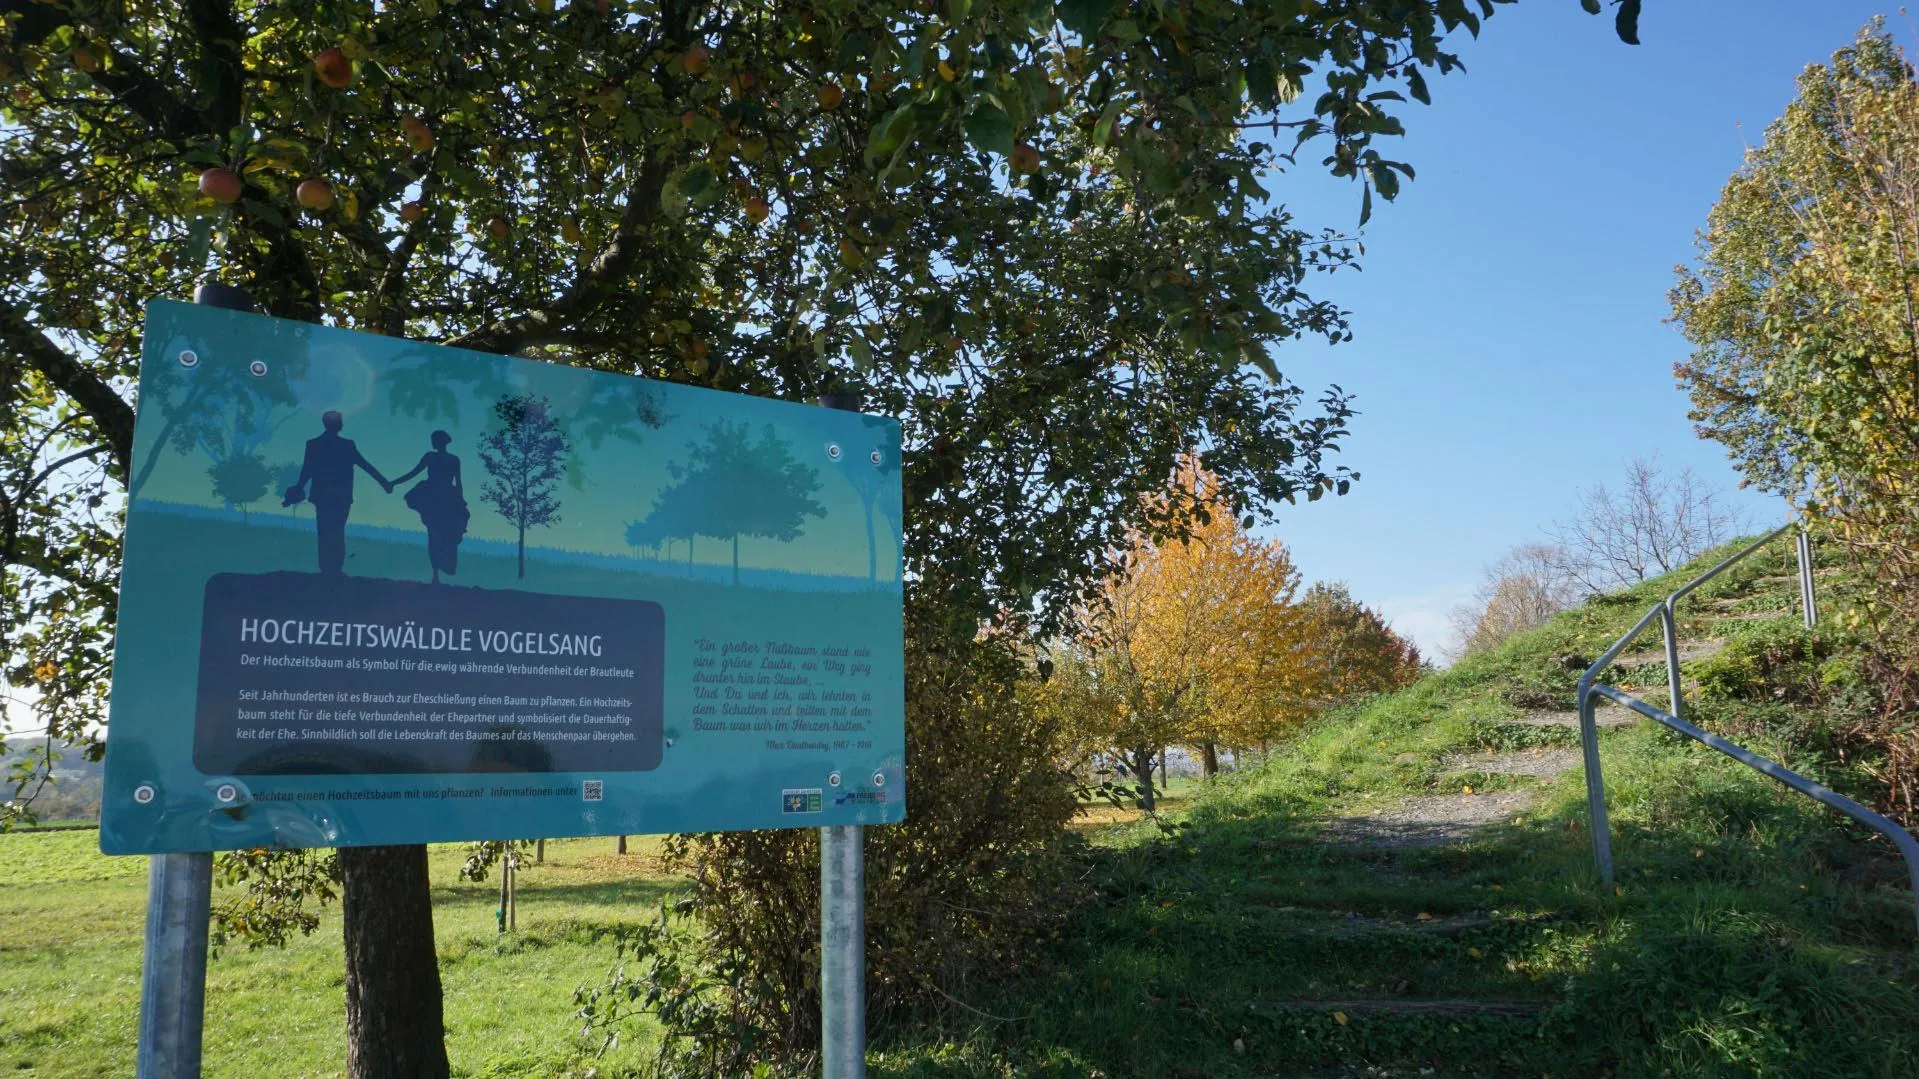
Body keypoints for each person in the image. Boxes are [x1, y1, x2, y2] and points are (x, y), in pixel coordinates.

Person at [283, 410, 390, 575]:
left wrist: (299, 487)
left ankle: (326, 568)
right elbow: (365, 465)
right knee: (337, 531)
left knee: (325, 530)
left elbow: (307, 470)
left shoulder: (314, 444)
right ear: (338, 424)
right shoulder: (347, 445)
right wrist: (384, 482)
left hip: (323, 496)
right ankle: (335, 568)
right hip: (341, 496)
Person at [389, 429, 469, 583]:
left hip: (435, 497)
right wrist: (460, 501)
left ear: (438, 441)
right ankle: (436, 572)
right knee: (440, 534)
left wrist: (393, 483)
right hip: (444, 498)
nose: (432, 442)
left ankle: (436, 572)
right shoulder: (453, 459)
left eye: (433, 439)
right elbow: (458, 484)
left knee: (436, 535)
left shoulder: (433, 457)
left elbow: (413, 473)